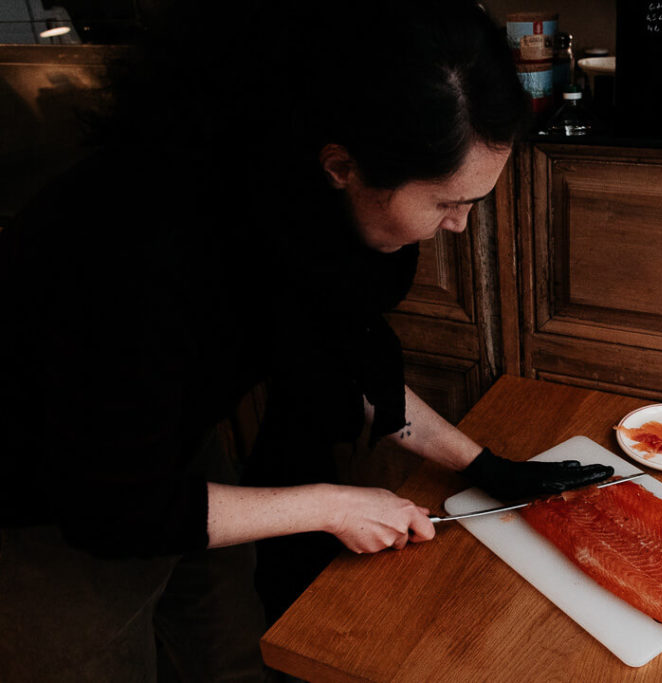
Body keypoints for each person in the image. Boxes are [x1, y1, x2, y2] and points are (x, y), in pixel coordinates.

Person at [0, 1, 613, 680]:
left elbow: (345, 358)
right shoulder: (138, 248)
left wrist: (484, 465)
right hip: (45, 491)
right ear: (341, 165)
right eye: (447, 203)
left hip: (168, 435)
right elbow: (115, 505)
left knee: (231, 648)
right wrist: (333, 505)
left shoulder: (300, 193)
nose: (461, 227)